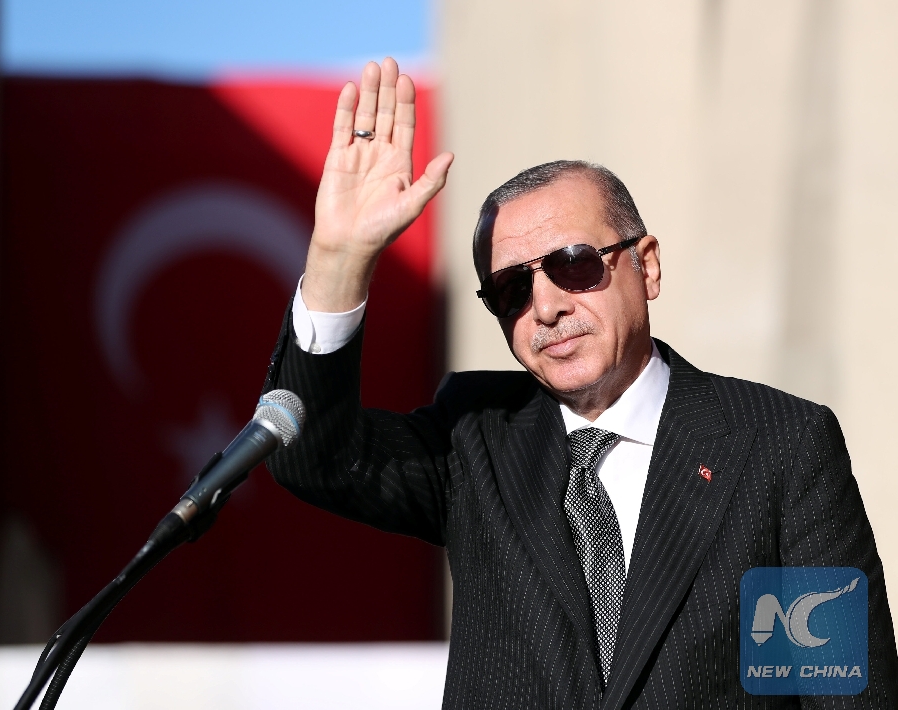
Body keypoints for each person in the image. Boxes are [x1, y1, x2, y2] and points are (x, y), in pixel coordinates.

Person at [262, 58, 898, 708]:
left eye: (574, 265)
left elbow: (844, 692)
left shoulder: (781, 444)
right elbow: (311, 457)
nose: (545, 307)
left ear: (647, 267)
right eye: (512, 288)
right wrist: (339, 258)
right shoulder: (472, 437)